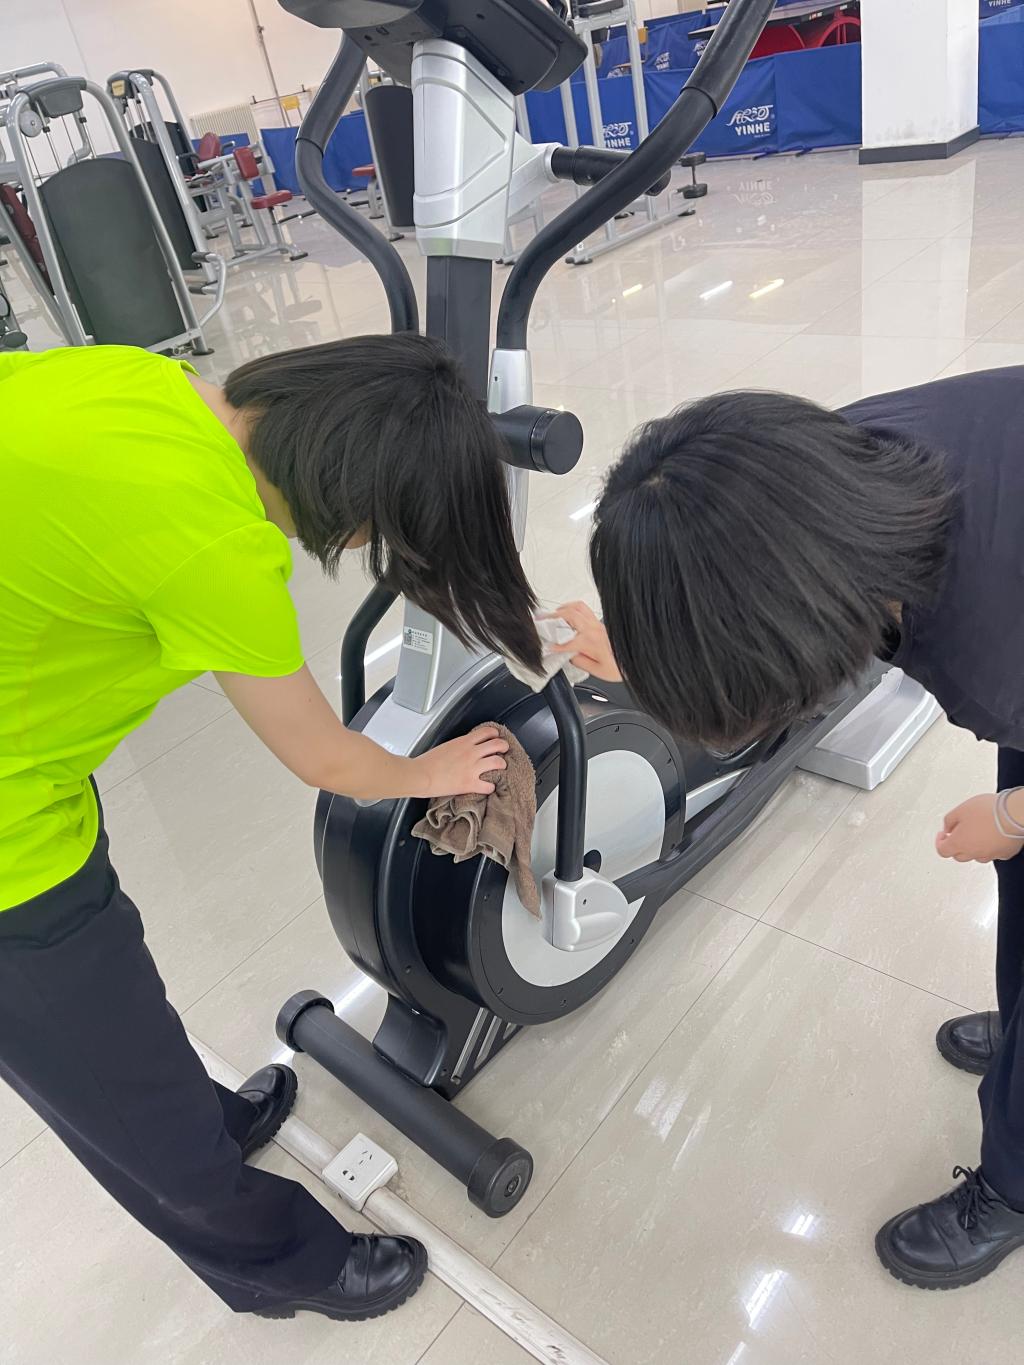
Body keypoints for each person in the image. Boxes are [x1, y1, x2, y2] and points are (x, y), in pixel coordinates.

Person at [0, 336, 541, 1322]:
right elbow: (327, 758)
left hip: (33, 768)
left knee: (117, 986)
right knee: (124, 1096)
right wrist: (432, 772)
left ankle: (207, 1118)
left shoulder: (137, 378)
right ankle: (281, 1265)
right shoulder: (213, 542)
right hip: (8, 847)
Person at [554, 368, 1024, 1291]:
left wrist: (1011, 816)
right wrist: (652, 645)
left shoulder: (990, 645)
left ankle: (1014, 1189)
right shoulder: (808, 481)